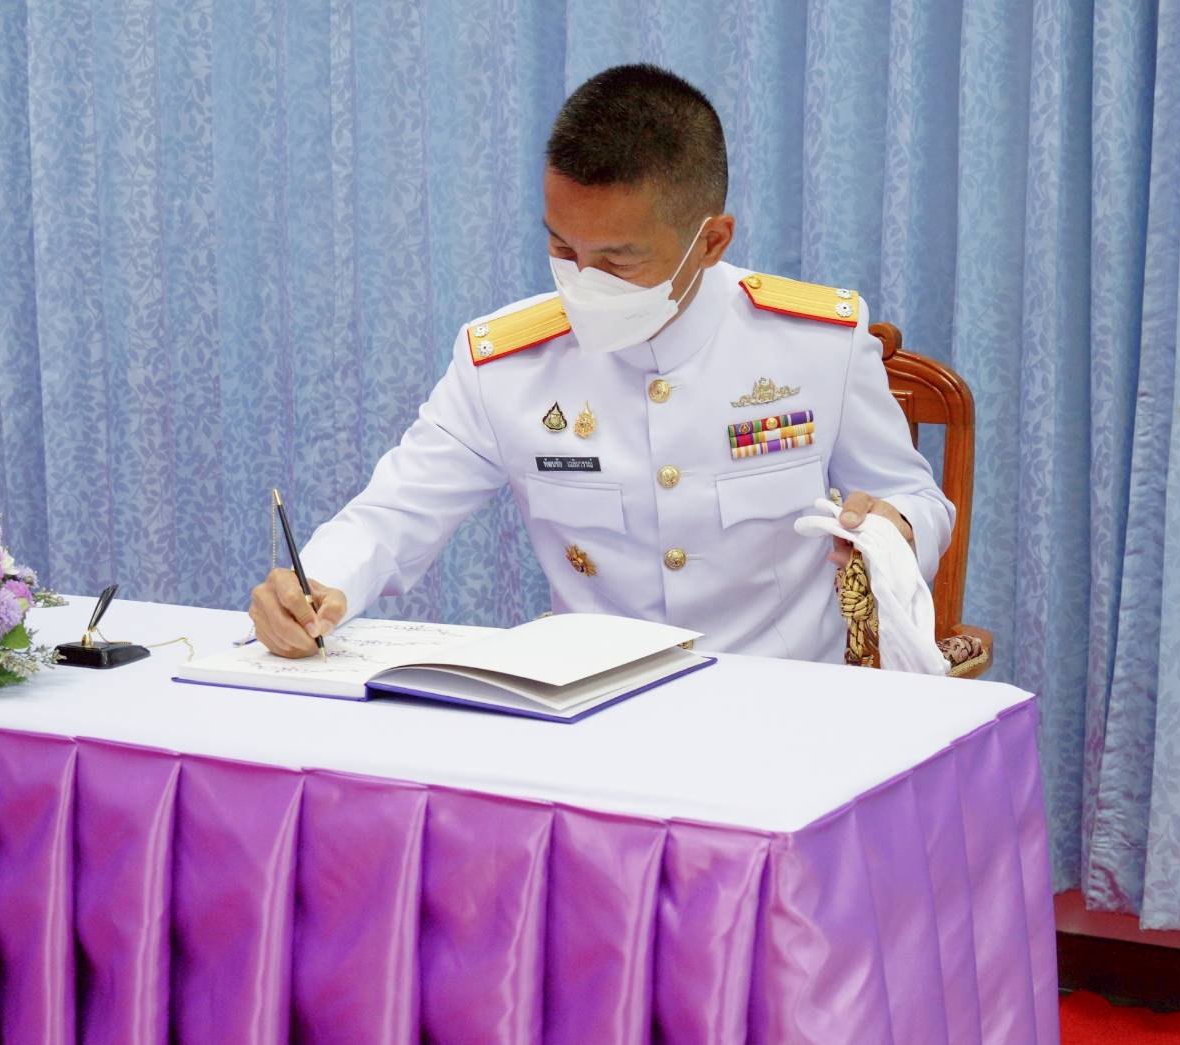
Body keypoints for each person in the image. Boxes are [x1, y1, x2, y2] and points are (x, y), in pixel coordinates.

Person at [249, 63, 953, 662]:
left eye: (618, 260)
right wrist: (317, 585)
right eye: (562, 248)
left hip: (783, 711)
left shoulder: (816, 343)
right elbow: (391, 515)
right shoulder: (504, 365)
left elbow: (918, 501)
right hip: (593, 714)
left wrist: (892, 529)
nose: (582, 280)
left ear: (711, 242)